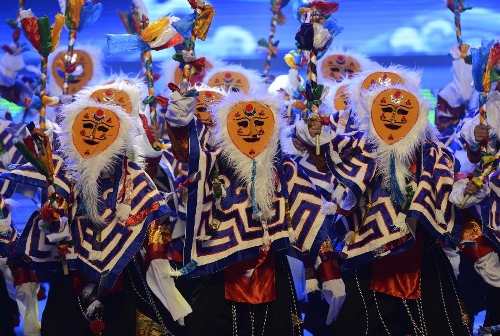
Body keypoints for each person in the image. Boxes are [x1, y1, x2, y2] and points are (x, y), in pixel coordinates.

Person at [2, 93, 191, 335]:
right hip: (70, 274)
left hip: (121, 276)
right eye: (87, 126)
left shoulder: (134, 176)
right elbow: (43, 246)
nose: (92, 134)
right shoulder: (60, 170)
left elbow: (149, 220)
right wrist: (51, 223)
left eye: (103, 130)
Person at [164, 87, 335, 335]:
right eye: (242, 123)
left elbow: (311, 220)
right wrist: (178, 122)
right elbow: (188, 150)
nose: (253, 131)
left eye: (260, 123)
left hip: (272, 267)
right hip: (218, 266)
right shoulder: (212, 161)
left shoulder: (283, 167)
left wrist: (329, 271)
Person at [304, 82, 470, 334]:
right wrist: (315, 132)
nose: (394, 119)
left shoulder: (434, 154)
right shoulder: (362, 147)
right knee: (356, 324)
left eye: (402, 113)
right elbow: (327, 152)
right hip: (368, 249)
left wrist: (464, 191)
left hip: (419, 253)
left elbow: (449, 192)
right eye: (387, 112)